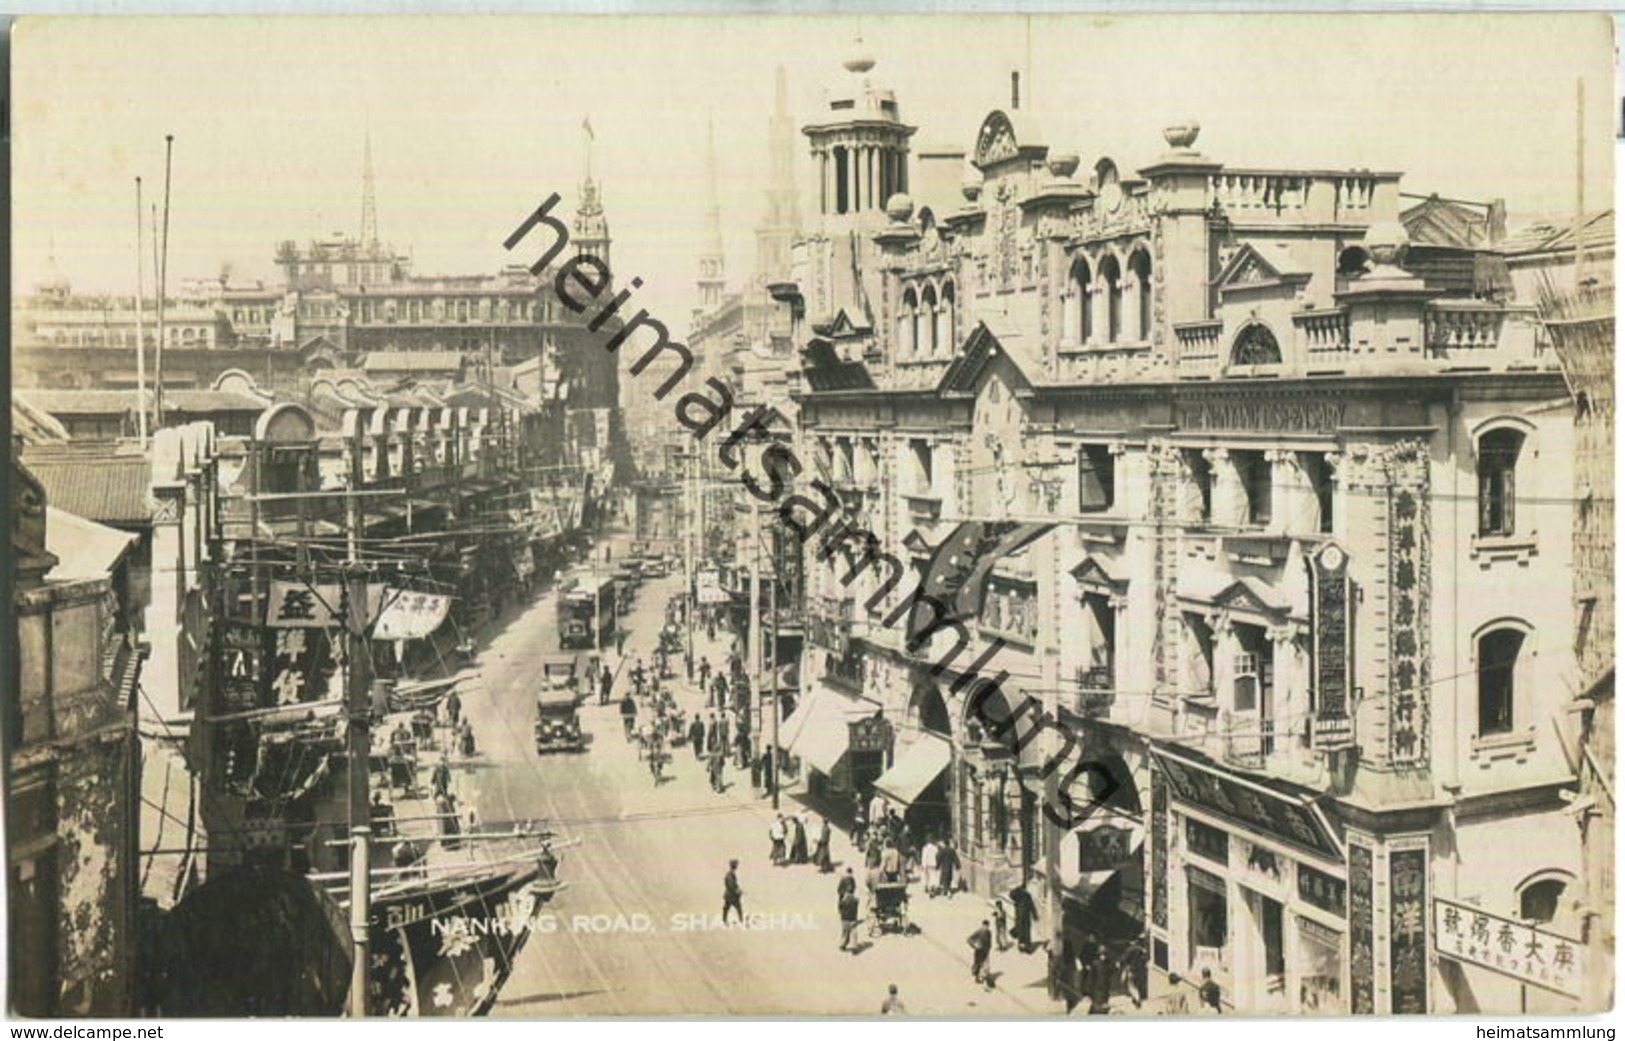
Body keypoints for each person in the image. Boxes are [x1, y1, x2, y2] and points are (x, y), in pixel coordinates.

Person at [1010, 883, 1037, 953]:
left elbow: (1031, 905)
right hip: (1022, 917)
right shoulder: (1020, 895)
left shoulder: (1024, 895)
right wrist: (1034, 915)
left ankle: (1024, 947)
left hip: (1022, 917)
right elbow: (1032, 906)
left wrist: (1034, 915)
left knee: (1024, 932)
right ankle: (1024, 947)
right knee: (1024, 932)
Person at [1086, 949, 1113, 1014]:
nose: (1103, 957)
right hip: (1096, 987)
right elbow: (1091, 976)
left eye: (1104, 955)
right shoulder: (1095, 963)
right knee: (1096, 1003)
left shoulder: (1107, 964)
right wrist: (1088, 988)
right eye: (1101, 955)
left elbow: (1110, 974)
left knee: (1104, 1002)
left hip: (1105, 987)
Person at [967, 920, 993, 986]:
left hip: (986, 951)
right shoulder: (979, 931)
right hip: (979, 950)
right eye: (984, 926)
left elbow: (989, 941)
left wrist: (989, 948)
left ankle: (983, 978)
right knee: (978, 963)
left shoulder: (989, 932)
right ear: (982, 925)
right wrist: (974, 945)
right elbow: (969, 939)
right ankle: (977, 977)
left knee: (985, 965)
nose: (986, 928)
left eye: (987, 926)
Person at [838, 885, 862, 953]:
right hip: (853, 919)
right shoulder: (856, 900)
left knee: (845, 932)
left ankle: (842, 945)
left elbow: (840, 908)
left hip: (844, 919)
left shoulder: (843, 900)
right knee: (853, 933)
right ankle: (854, 947)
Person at [723, 860, 744, 925]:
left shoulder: (731, 874)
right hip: (731, 896)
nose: (737, 866)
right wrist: (737, 891)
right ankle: (741, 921)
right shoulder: (730, 874)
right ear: (733, 866)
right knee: (738, 908)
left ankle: (724, 920)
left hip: (730, 895)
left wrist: (739, 889)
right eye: (736, 865)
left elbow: (734, 884)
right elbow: (731, 885)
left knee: (726, 908)